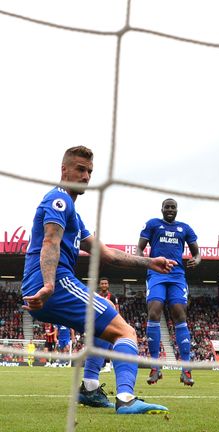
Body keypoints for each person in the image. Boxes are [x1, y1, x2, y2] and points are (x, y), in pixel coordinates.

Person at [21, 146, 173, 414]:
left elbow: (106, 254)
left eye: (89, 171)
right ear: (64, 170)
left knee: (106, 319)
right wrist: (48, 284)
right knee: (126, 332)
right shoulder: (59, 200)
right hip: (54, 283)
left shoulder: (74, 216)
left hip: (49, 285)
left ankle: (90, 388)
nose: (86, 176)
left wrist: (150, 262)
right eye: (80, 169)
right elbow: (50, 241)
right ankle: (126, 398)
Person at [137, 198, 201, 387]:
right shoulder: (153, 224)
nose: (170, 210)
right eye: (167, 207)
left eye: (173, 207)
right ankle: (155, 367)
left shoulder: (185, 228)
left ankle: (186, 370)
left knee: (180, 314)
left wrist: (196, 260)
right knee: (154, 311)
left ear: (177, 210)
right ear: (162, 209)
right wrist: (143, 261)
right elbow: (139, 248)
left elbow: (197, 253)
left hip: (177, 276)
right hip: (156, 273)